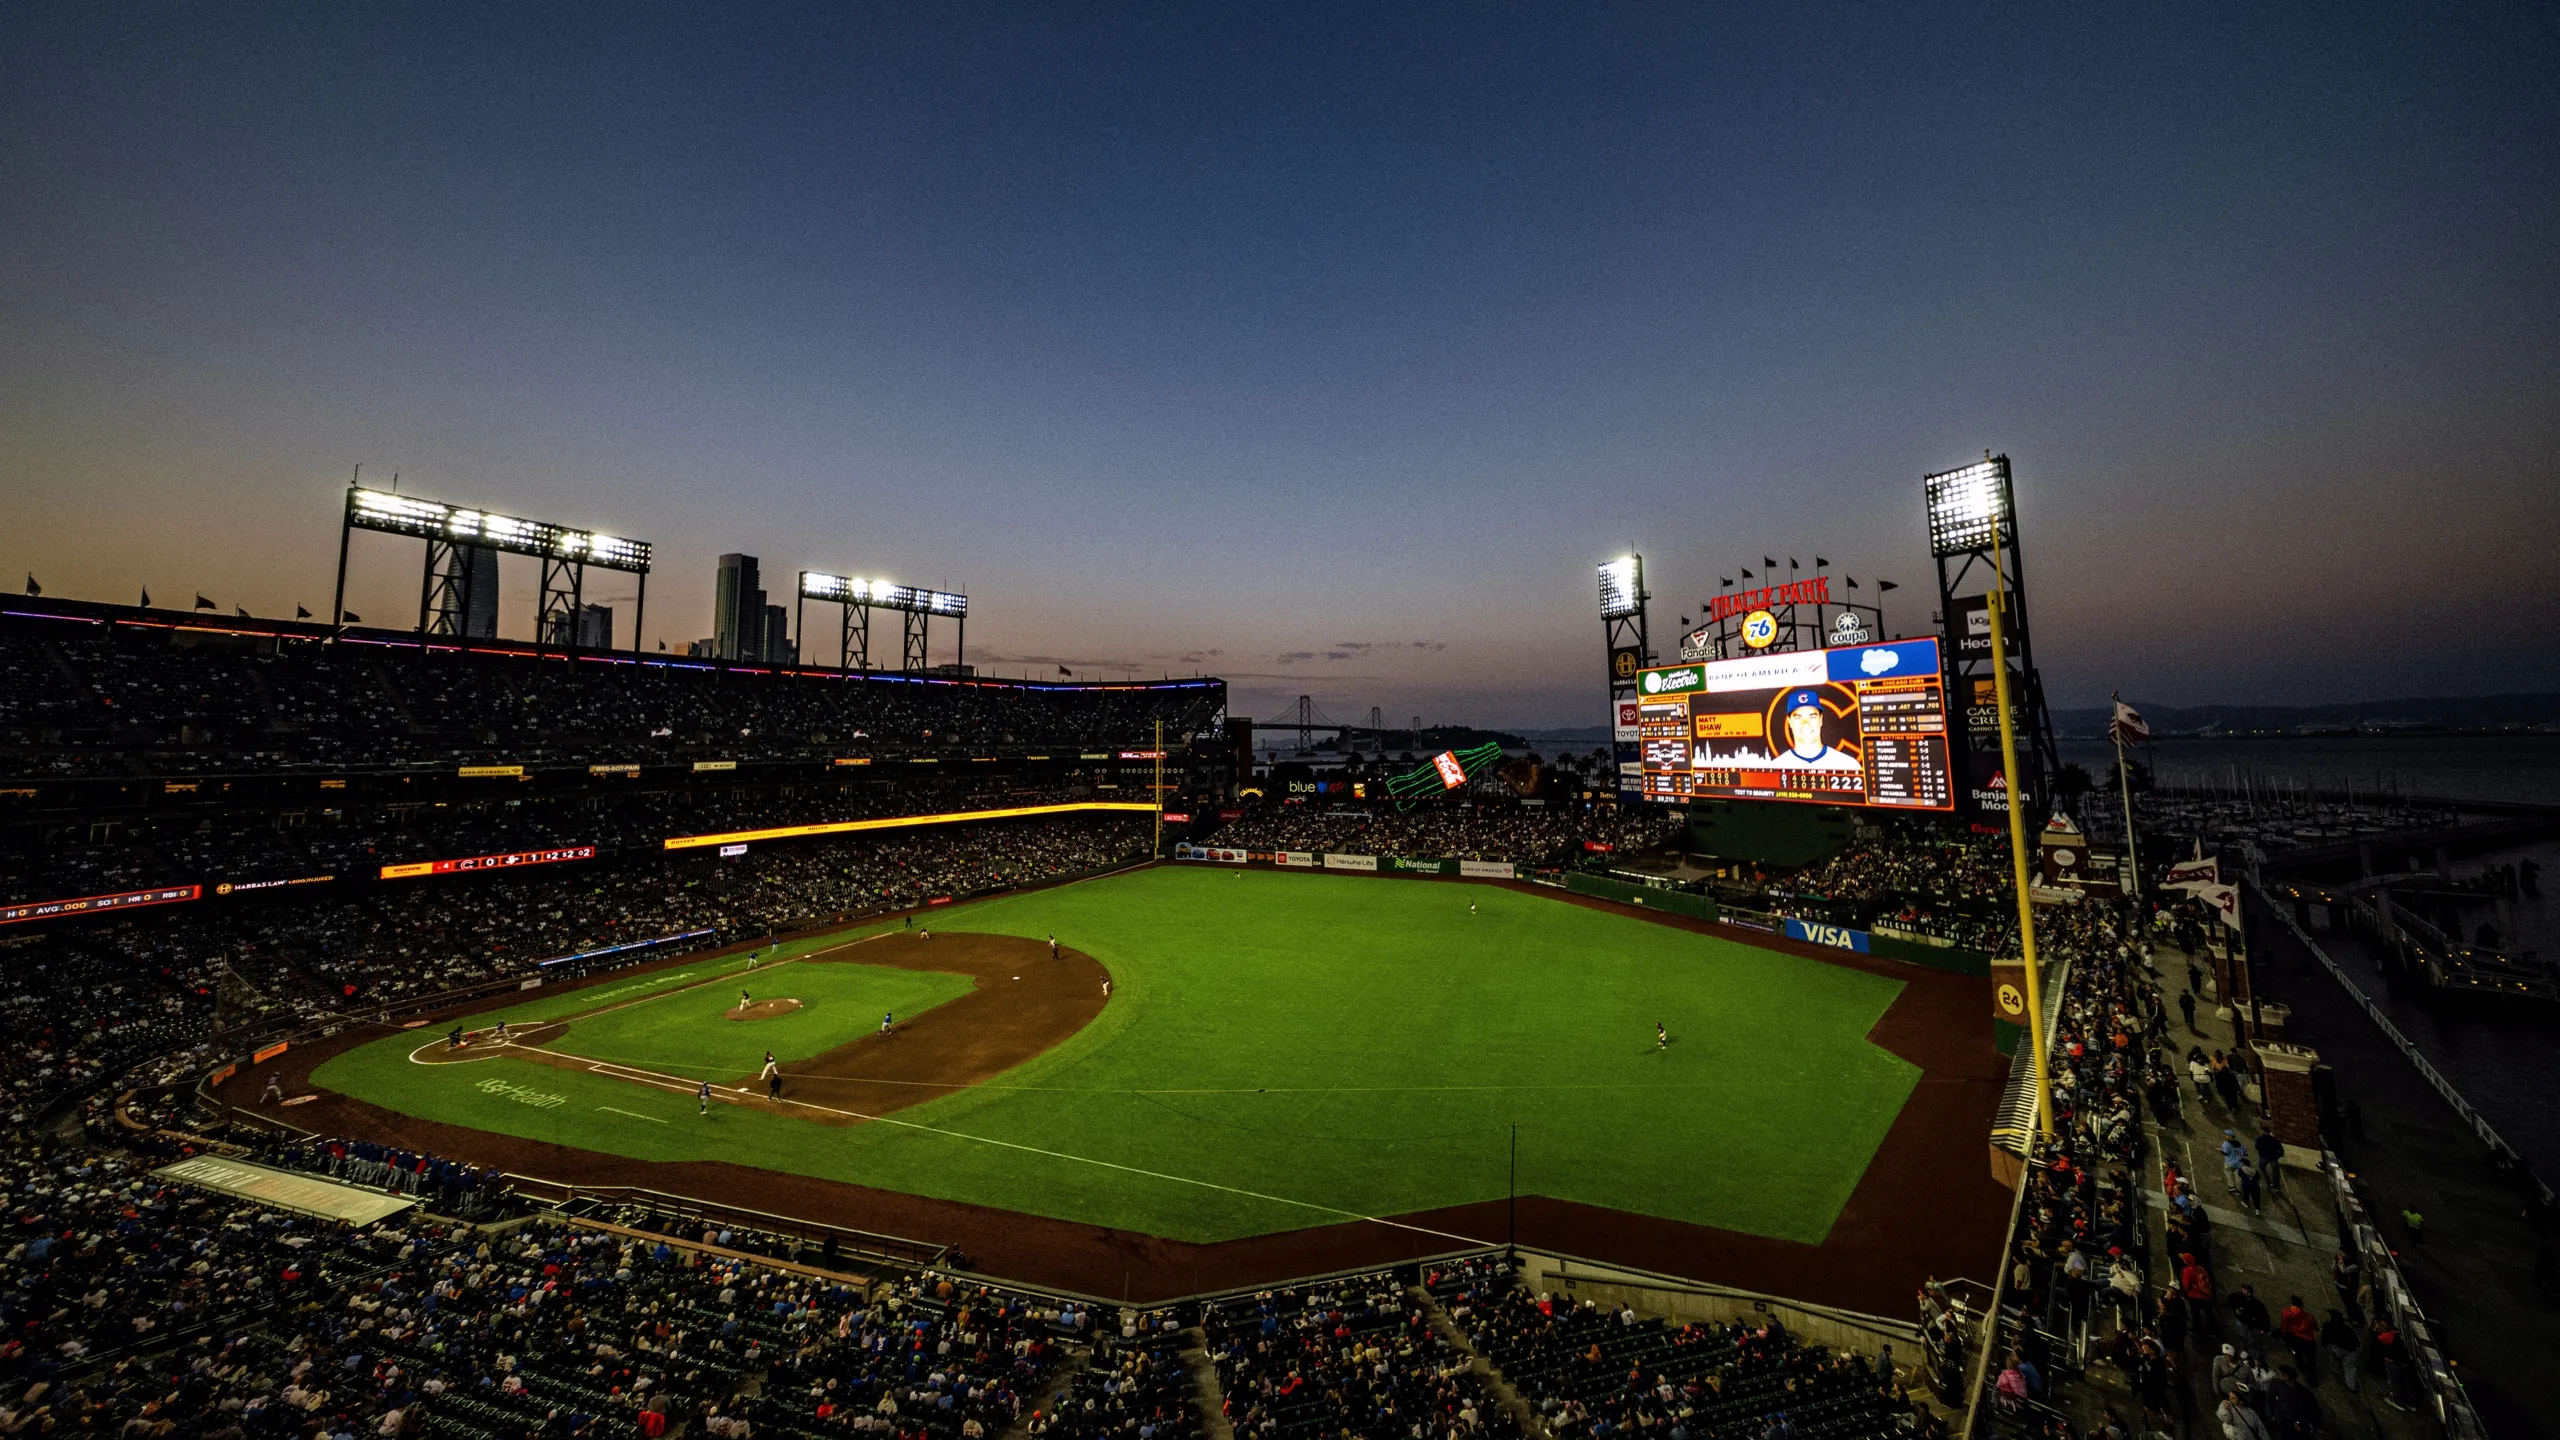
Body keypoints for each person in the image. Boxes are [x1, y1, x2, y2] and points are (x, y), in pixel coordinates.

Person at [2254, 1129, 2286, 1195]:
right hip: (2274, 1158)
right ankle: (2276, 1187)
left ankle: (2269, 1183)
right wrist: (2279, 1155)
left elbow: (2257, 1147)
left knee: (2262, 1168)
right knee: (2275, 1172)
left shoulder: (2260, 1138)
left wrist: (2262, 1151)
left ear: (2263, 1131)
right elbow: (2281, 1150)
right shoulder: (2275, 1140)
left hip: (2263, 1157)